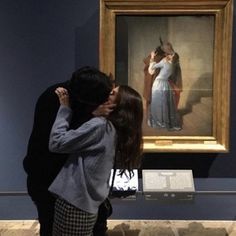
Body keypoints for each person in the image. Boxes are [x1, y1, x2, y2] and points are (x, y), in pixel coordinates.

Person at [23, 66, 115, 236]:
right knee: (51, 227)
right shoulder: (56, 98)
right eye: (102, 98)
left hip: (73, 187)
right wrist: (92, 115)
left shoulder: (78, 97)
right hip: (51, 182)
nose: (107, 101)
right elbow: (56, 143)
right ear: (90, 98)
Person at [48, 84, 143, 235]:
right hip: (87, 204)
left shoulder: (101, 126)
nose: (106, 94)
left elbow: (57, 143)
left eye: (112, 93)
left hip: (75, 203)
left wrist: (65, 109)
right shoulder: (118, 131)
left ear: (117, 104)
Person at [148, 50, 182, 130]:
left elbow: (152, 69)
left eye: (170, 54)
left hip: (159, 83)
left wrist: (152, 57)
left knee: (158, 103)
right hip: (165, 84)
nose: (168, 55)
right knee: (164, 103)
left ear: (171, 56)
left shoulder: (164, 61)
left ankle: (159, 122)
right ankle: (164, 122)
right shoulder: (173, 65)